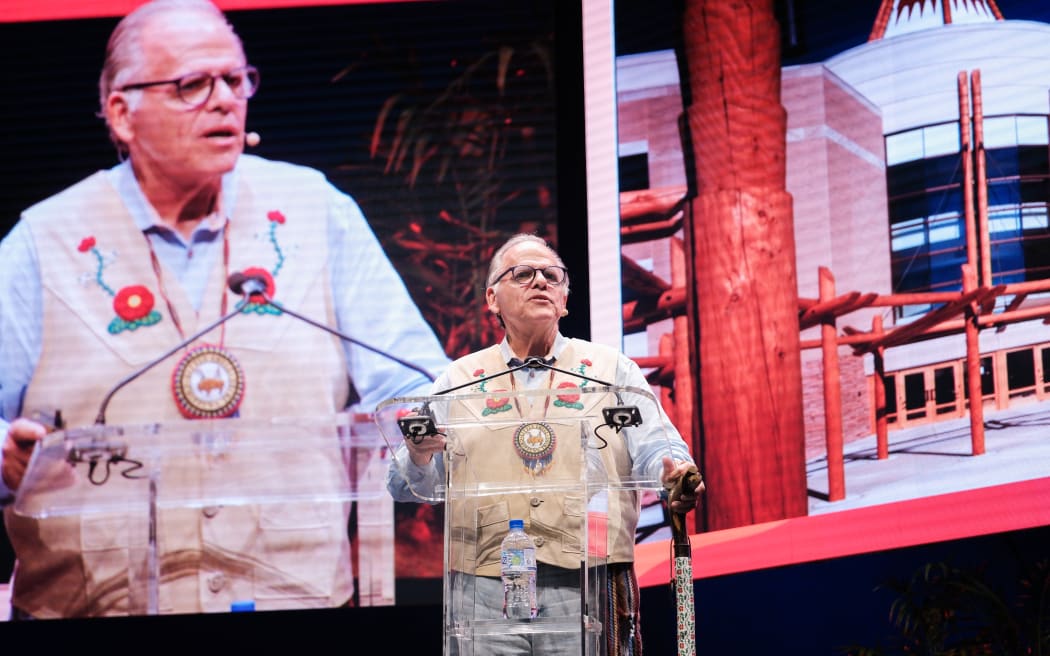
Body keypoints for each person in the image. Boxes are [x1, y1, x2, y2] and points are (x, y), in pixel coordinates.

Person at [0, 0, 449, 618]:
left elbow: (414, 385)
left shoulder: (316, 212)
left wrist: (433, 437)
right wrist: (6, 456)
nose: (224, 101)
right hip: (95, 612)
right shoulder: (42, 242)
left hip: (297, 608)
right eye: (193, 84)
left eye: (236, 80)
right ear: (122, 113)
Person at [386, 233, 701, 655]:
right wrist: (419, 454)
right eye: (523, 274)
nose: (540, 282)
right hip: (484, 587)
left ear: (565, 299)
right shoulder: (458, 380)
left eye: (552, 276)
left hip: (589, 576)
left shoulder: (611, 370)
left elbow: (657, 449)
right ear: (492, 298)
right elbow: (404, 485)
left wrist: (674, 473)